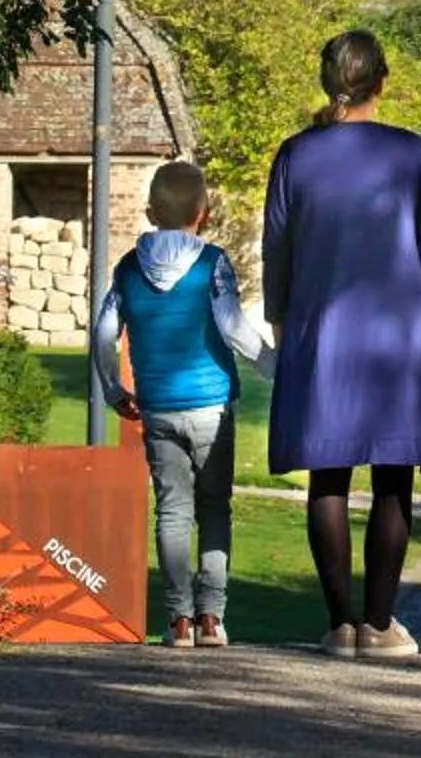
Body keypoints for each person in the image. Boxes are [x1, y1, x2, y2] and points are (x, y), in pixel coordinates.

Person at [260, 29, 421, 658]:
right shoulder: (410, 153)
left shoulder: (295, 155)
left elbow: (277, 251)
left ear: (328, 82)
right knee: (395, 476)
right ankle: (380, 623)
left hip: (322, 331)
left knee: (329, 474)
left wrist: (281, 323)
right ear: (381, 82)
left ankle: (339, 623)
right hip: (399, 334)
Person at [90, 158, 272, 648]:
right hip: (212, 406)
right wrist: (276, 368)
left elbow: (104, 332)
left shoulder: (129, 268)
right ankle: (212, 617)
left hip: (157, 407)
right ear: (204, 213)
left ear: (151, 213)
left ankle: (177, 621)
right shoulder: (212, 264)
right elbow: (233, 326)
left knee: (171, 509)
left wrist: (112, 388)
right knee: (214, 510)